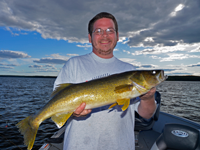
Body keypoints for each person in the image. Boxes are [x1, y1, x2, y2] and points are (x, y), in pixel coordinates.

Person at [54, 12, 156, 150]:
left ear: (117, 36)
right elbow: (57, 103)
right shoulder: (73, 64)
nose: (105, 35)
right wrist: (72, 112)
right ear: (90, 38)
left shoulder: (130, 70)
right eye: (98, 31)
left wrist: (148, 98)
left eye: (110, 30)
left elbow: (147, 114)